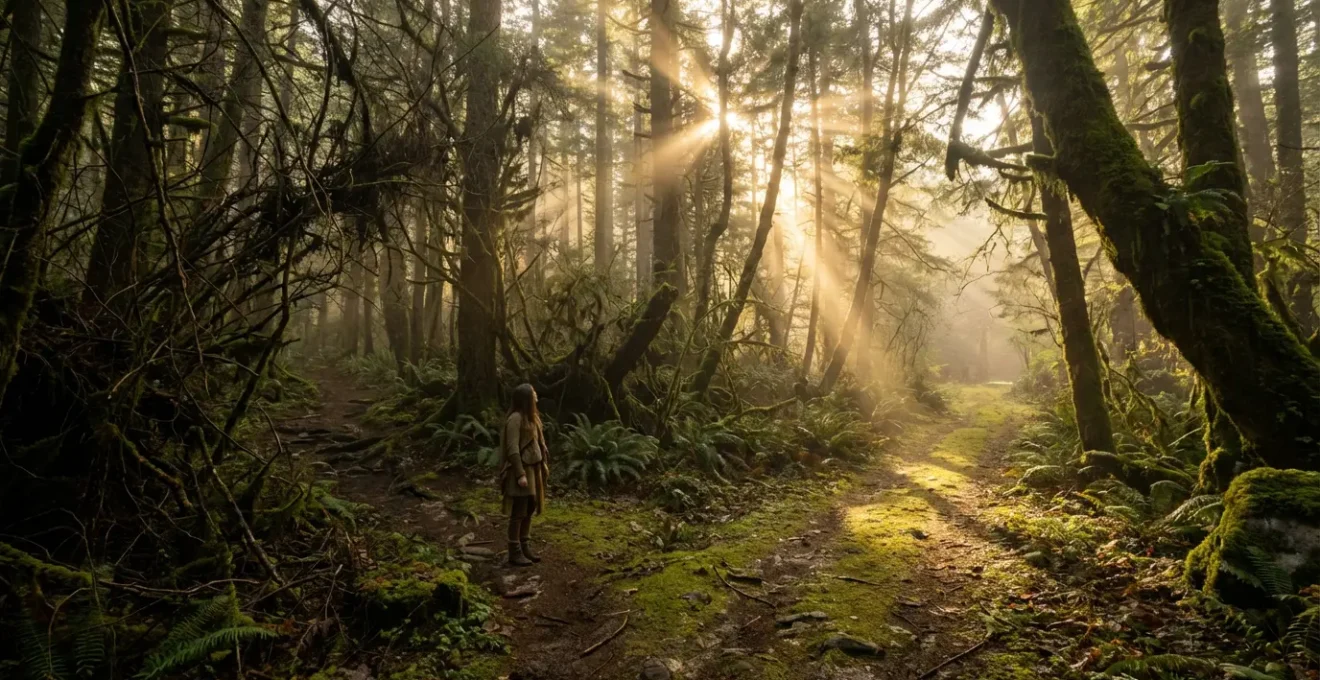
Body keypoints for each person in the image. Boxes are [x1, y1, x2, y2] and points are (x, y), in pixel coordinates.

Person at [499, 383, 550, 566]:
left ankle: (525, 545)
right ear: (526, 398)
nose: (536, 396)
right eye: (533, 394)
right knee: (519, 510)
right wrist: (520, 474)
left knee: (530, 508)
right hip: (522, 470)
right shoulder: (515, 419)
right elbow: (512, 448)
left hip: (534, 469)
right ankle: (514, 550)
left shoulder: (533, 417)